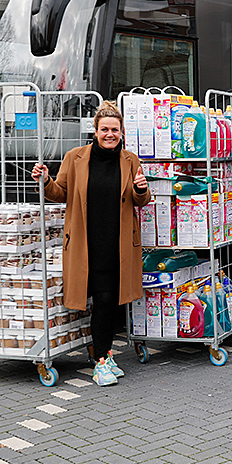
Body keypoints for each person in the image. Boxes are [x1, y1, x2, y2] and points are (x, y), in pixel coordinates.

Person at [31, 101, 150, 387]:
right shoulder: (75, 158)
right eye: (105, 129)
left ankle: (105, 356)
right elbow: (60, 193)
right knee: (102, 301)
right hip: (87, 243)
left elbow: (140, 200)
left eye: (115, 130)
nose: (110, 134)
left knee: (110, 302)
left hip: (118, 243)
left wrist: (141, 189)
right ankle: (102, 361)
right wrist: (45, 180)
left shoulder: (130, 160)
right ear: (95, 131)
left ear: (122, 132)